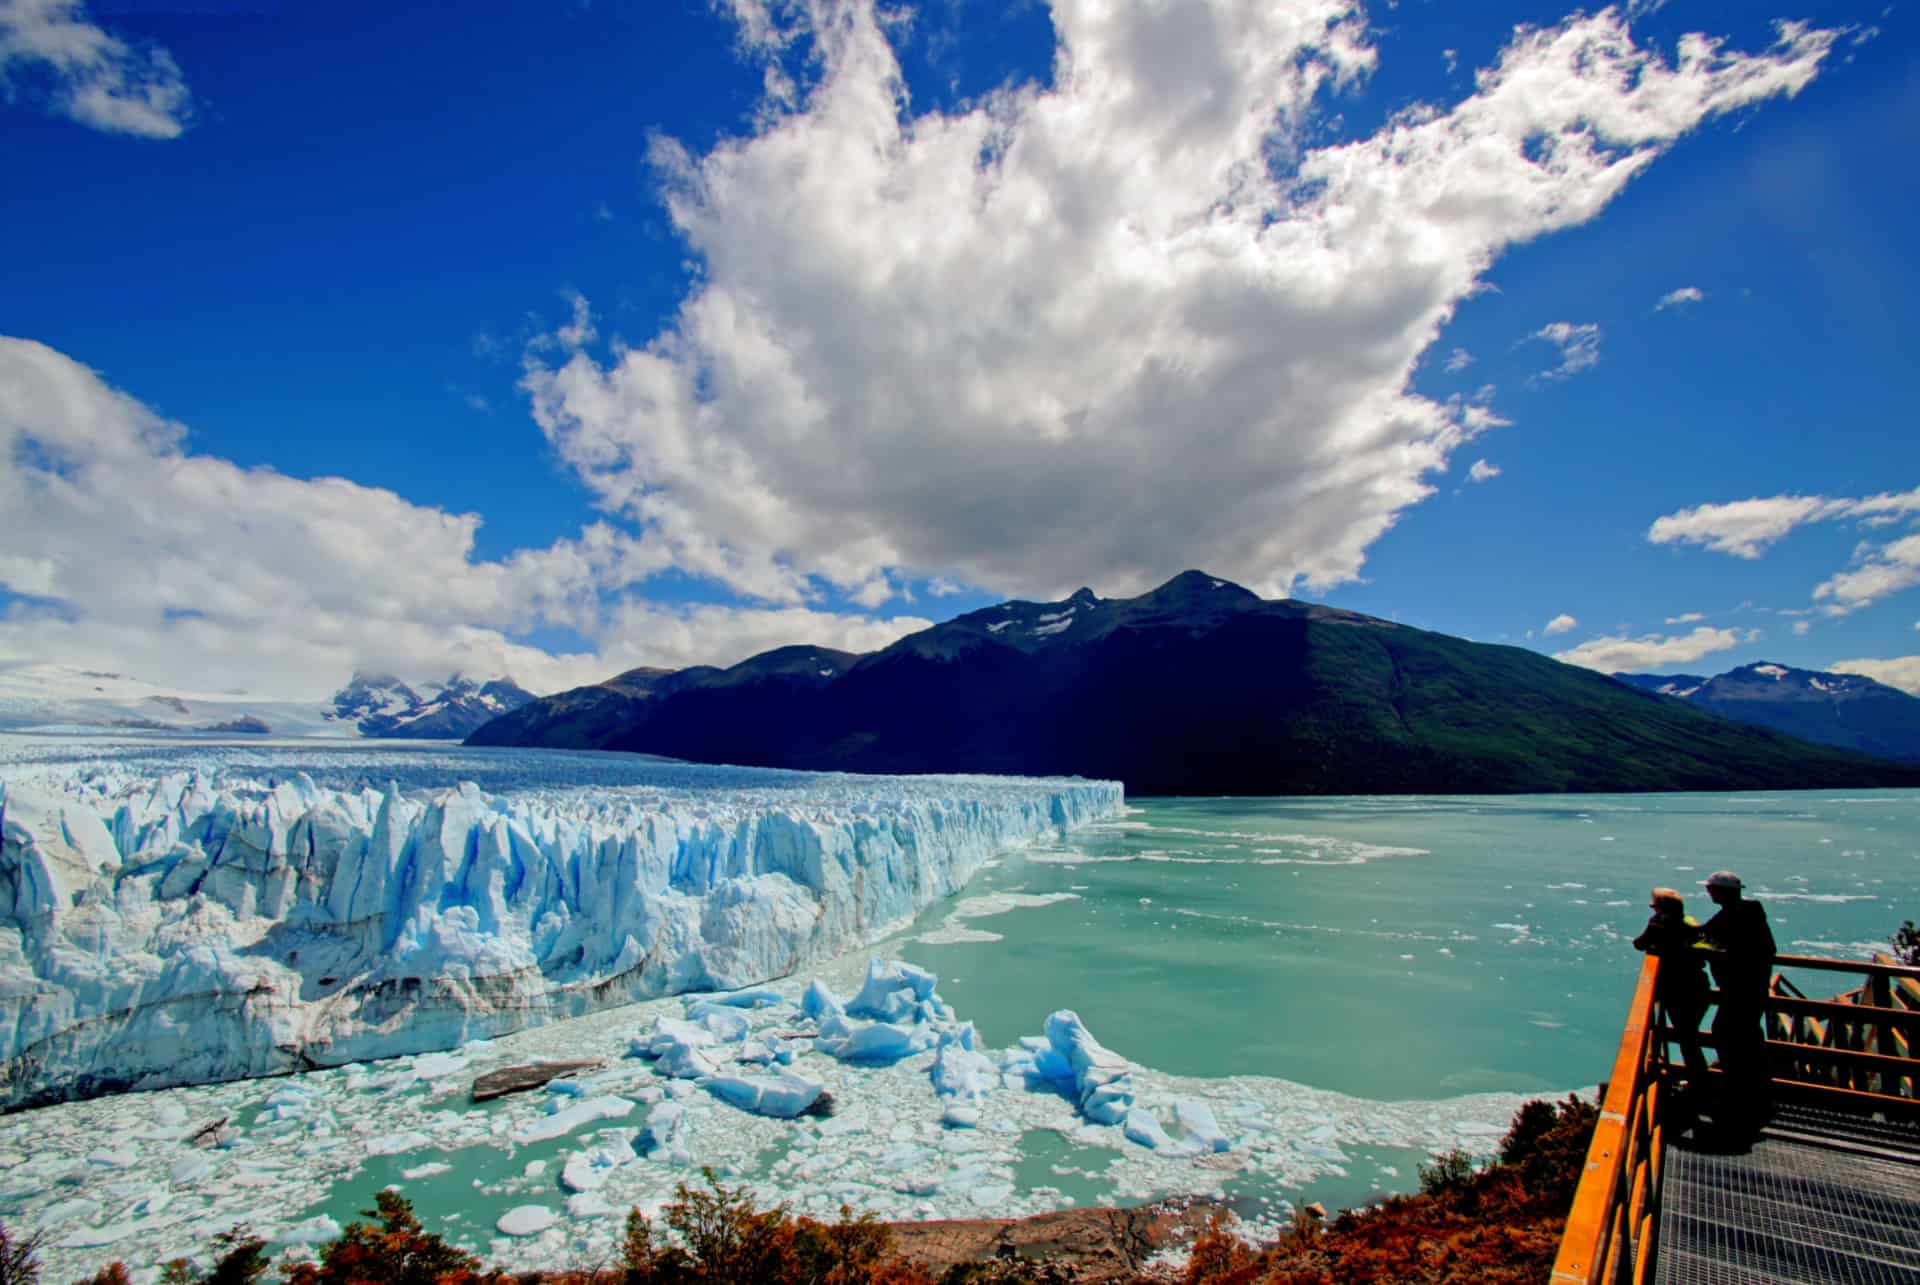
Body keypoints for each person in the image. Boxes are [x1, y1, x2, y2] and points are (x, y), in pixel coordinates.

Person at [1697, 870, 1776, 1131]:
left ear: (1722, 891)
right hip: (1749, 990)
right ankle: (1752, 1097)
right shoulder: (1742, 911)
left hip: (1743, 991)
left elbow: (1709, 939)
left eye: (1711, 889)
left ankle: (1741, 1099)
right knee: (1746, 1038)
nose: (1709, 893)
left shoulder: (1740, 914)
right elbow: (1705, 933)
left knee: (1732, 1037)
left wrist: (1716, 953)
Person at [1632, 887, 1709, 1084]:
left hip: (1676, 988)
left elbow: (1640, 943)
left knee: (1683, 1038)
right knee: (1689, 1036)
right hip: (1699, 984)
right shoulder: (1690, 922)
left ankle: (1697, 1083)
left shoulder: (1659, 923)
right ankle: (1699, 1079)